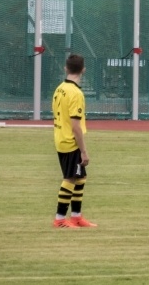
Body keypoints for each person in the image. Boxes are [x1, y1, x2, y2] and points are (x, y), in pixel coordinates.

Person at [51, 54, 97, 228]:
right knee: (70, 178)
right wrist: (83, 150)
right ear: (83, 70)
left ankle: (76, 217)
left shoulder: (60, 88)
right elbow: (76, 125)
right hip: (71, 141)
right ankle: (60, 219)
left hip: (60, 137)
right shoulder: (75, 93)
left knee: (80, 177)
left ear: (66, 68)